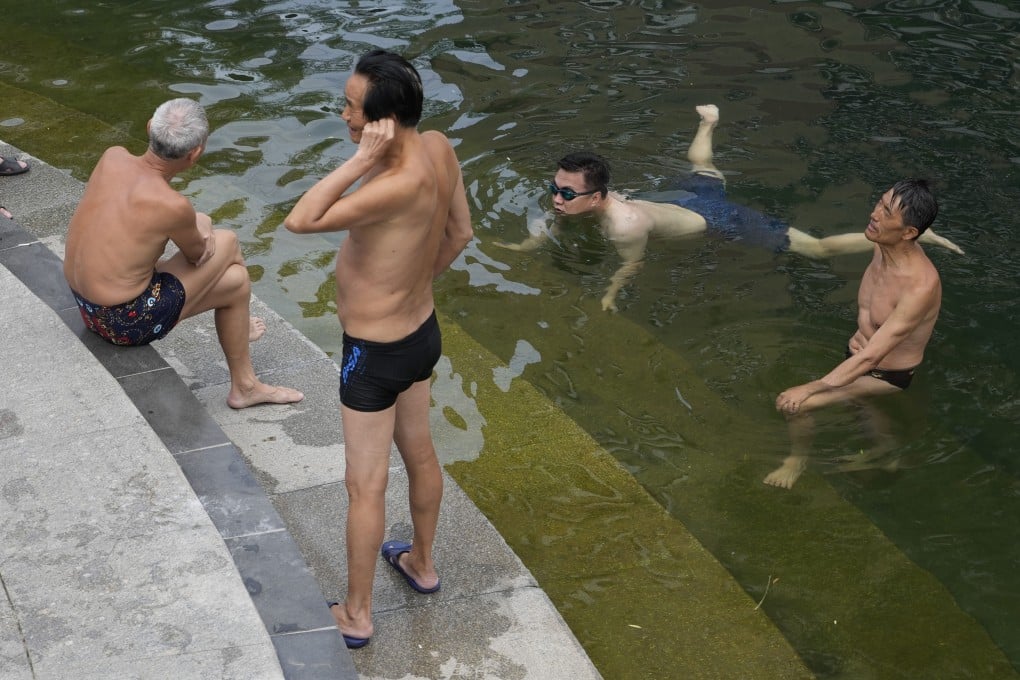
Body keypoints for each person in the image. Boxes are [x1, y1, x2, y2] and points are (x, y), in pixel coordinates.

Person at [284, 49, 473, 648]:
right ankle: (422, 564)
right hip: (420, 336)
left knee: (364, 485)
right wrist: (411, 286)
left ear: (382, 120)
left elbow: (302, 218)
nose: (343, 115)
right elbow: (461, 233)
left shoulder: (391, 182)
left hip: (373, 353)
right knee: (418, 452)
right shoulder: (438, 147)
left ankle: (358, 614)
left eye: (351, 108)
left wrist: (358, 160)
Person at [497, 105, 962, 312]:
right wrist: (529, 239)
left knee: (816, 249)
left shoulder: (624, 225)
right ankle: (709, 120)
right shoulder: (582, 201)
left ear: (597, 197)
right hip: (680, 202)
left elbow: (633, 263)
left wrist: (611, 293)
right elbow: (553, 219)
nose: (557, 199)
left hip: (714, 220)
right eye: (554, 190)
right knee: (702, 169)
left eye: (567, 194)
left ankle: (930, 234)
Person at [63, 98, 304, 409]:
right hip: (123, 323)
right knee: (228, 242)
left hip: (86, 308)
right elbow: (198, 256)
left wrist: (192, 220)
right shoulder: (172, 205)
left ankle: (245, 382)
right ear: (196, 153)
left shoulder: (112, 157)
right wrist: (200, 220)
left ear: (150, 127)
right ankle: (244, 376)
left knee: (236, 281)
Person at [767, 178, 942, 489]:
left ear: (908, 232)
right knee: (860, 405)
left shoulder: (920, 286)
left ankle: (796, 460)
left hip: (885, 374)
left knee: (796, 405)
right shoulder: (883, 243)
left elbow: (875, 355)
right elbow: (830, 246)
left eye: (886, 212)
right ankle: (887, 454)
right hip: (858, 355)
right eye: (879, 202)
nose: (874, 213)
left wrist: (809, 388)